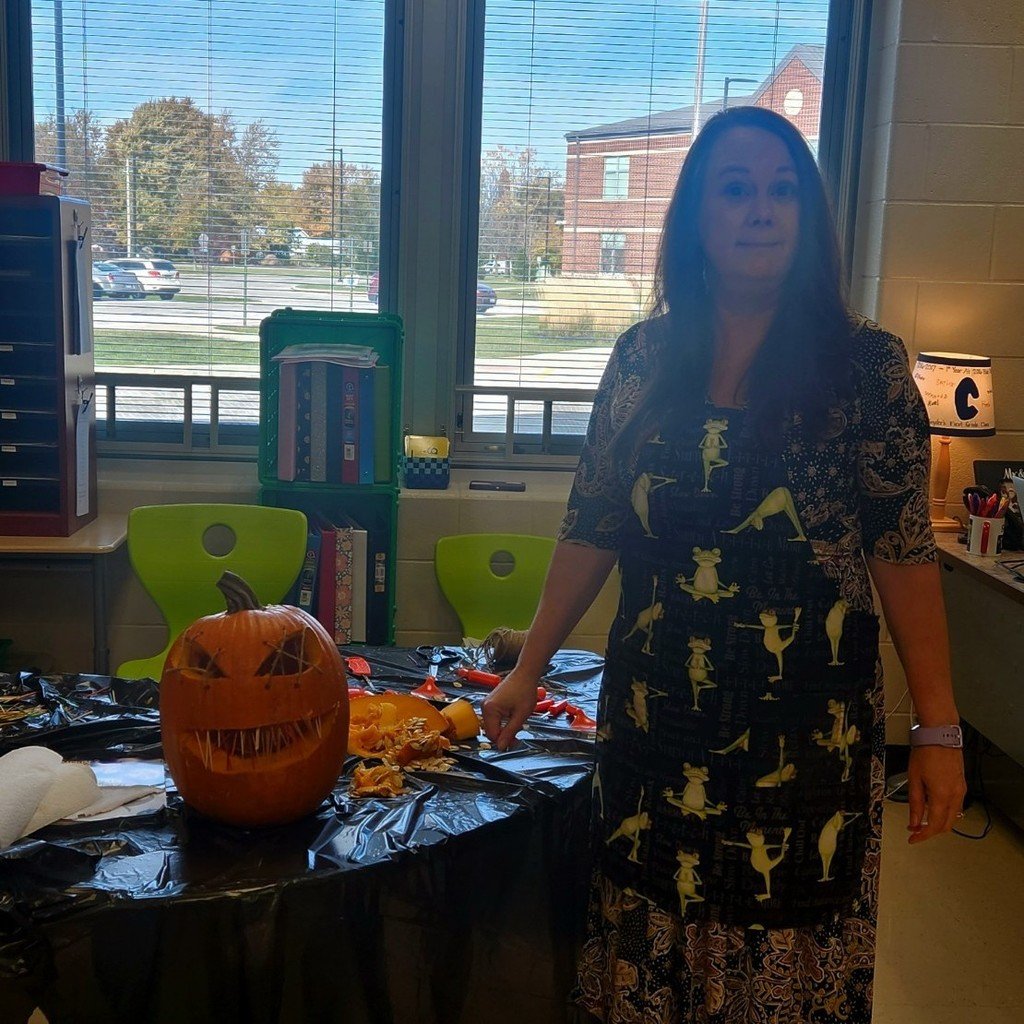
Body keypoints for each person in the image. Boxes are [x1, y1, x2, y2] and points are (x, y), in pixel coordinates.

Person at [481, 105, 967, 1024]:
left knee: (785, 957)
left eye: (783, 191)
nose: (761, 210)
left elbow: (904, 556)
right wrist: (528, 667)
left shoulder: (866, 369)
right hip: (653, 728)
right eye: (735, 190)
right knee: (647, 941)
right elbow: (590, 526)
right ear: (697, 219)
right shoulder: (642, 360)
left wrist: (938, 730)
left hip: (806, 740)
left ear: (809, 218)